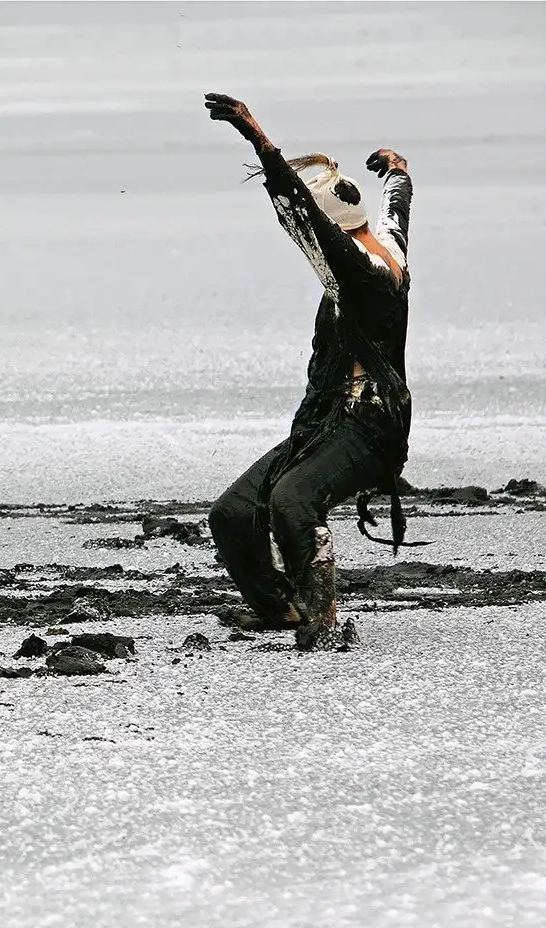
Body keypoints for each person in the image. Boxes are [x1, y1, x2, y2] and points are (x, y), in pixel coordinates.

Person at [202, 92, 414, 651]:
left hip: (369, 429)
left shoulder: (365, 274)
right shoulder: (385, 242)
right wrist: (397, 170)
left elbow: (303, 211)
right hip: (325, 423)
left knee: (293, 501)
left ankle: (323, 619)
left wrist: (256, 135)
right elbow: (397, 206)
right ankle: (282, 609)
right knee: (233, 514)